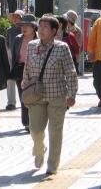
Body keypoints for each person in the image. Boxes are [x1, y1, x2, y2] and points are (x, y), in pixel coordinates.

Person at [21, 15, 77, 176]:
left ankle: (52, 165)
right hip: (36, 96)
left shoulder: (62, 47)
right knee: (35, 130)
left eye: (46, 27)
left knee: (55, 131)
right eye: (40, 26)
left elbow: (70, 72)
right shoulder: (32, 46)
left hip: (57, 95)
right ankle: (39, 149)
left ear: (54, 31)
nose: (41, 30)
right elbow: (27, 70)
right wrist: (25, 91)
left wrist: (72, 94)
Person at [10, 13, 38, 131]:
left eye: (27, 25)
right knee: (23, 96)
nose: (24, 28)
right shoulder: (18, 39)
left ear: (33, 27)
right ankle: (26, 122)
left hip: (35, 70)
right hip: (21, 69)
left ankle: (35, 121)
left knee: (35, 97)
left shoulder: (39, 39)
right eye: (22, 26)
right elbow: (14, 55)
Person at [5, 10, 24, 110]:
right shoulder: (9, 30)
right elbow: (7, 45)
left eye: (18, 17)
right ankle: (11, 102)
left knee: (22, 80)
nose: (15, 19)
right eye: (14, 17)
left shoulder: (24, 30)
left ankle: (24, 101)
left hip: (22, 57)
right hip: (11, 57)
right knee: (10, 79)